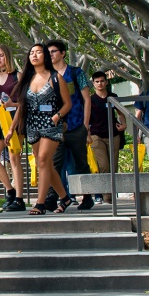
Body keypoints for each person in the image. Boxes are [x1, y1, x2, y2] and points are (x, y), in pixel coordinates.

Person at [4, 43, 72, 215]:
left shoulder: (56, 77)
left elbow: (67, 104)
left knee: (42, 160)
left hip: (51, 124)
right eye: (31, 52)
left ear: (45, 56)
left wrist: (57, 116)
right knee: (46, 164)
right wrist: (12, 129)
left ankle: (40, 203)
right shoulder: (27, 79)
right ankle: (65, 198)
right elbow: (21, 107)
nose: (34, 55)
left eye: (39, 52)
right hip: (32, 125)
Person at [46, 40, 93, 210]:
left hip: (76, 125)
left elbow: (87, 99)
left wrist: (85, 125)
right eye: (48, 52)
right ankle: (54, 197)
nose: (50, 55)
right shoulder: (46, 75)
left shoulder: (76, 73)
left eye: (53, 51)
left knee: (81, 163)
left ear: (63, 53)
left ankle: (87, 197)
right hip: (55, 129)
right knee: (54, 164)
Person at [0, 44, 25, 211]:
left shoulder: (17, 75)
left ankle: (20, 199)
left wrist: (12, 103)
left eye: (1, 56)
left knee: (14, 158)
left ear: (7, 56)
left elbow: (24, 102)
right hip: (0, 117)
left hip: (16, 117)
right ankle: (10, 190)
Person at [87, 71, 127, 204]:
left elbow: (121, 113)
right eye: (97, 81)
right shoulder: (90, 99)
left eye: (102, 81)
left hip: (113, 134)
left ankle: (111, 196)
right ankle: (106, 196)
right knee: (103, 165)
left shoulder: (113, 96)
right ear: (93, 84)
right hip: (96, 135)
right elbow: (86, 119)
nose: (100, 84)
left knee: (113, 166)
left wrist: (124, 124)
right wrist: (87, 134)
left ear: (106, 82)